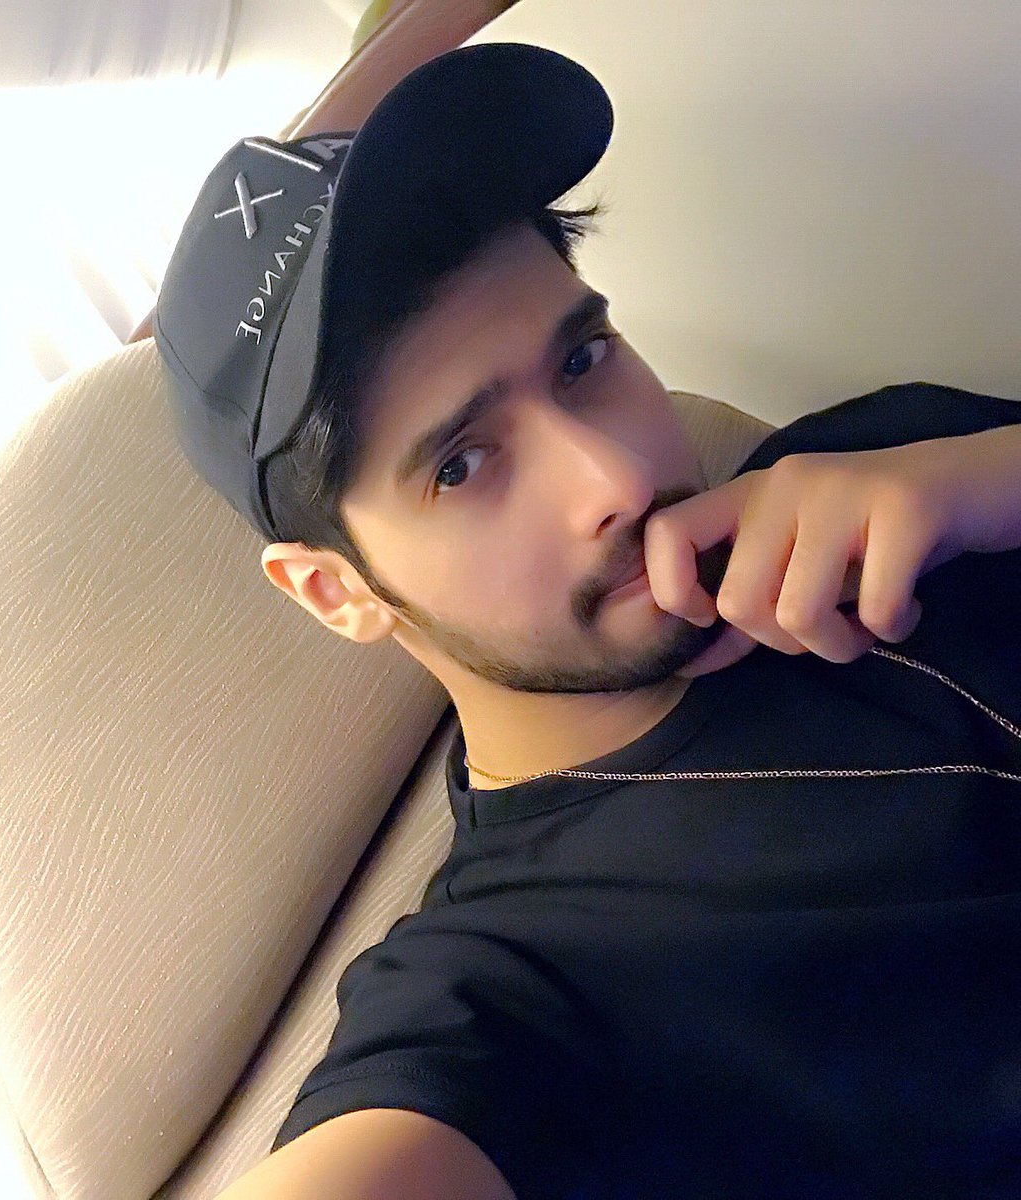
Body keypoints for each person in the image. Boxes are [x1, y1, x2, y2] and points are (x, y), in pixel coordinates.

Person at [153, 42, 1021, 1200]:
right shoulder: (504, 995)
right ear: (336, 590)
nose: (612, 475)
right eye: (462, 465)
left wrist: (991, 481)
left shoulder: (881, 463)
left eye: (582, 359)